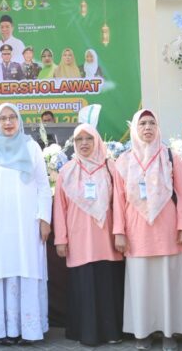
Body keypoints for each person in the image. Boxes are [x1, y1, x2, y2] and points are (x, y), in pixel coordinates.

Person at [113, 110, 182, 350]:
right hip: (136, 233)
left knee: (168, 284)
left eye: (151, 123)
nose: (147, 127)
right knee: (141, 285)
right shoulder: (123, 160)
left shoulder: (170, 157)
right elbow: (118, 200)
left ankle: (170, 332)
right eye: (142, 123)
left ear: (158, 127)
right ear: (135, 128)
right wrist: (119, 232)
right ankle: (143, 332)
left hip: (167, 232)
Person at [0, 103, 52, 345]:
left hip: (27, 225)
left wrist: (44, 219)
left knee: (27, 270)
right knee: (2, 271)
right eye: (2, 119)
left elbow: (43, 186)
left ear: (19, 121)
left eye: (12, 117)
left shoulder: (31, 148)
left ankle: (29, 330)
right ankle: (6, 331)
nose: (8, 122)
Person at [53, 123, 124, 346]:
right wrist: (61, 239)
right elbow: (59, 208)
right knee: (84, 285)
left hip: (106, 239)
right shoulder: (66, 171)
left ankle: (111, 332)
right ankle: (86, 333)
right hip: (79, 239)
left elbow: (120, 204)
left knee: (107, 285)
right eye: (79, 139)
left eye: (89, 138)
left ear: (97, 140)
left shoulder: (110, 168)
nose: (84, 143)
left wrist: (120, 232)